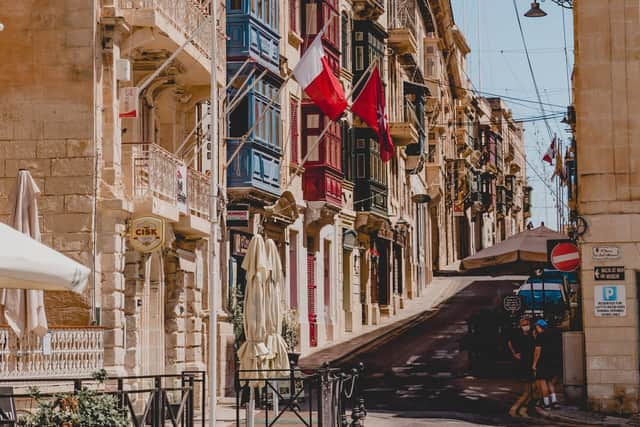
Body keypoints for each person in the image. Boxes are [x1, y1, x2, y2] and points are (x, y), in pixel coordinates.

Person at [507, 317, 536, 417]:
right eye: (523, 325)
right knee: (528, 391)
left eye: (527, 324)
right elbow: (509, 342)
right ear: (520, 325)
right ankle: (514, 409)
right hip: (524, 364)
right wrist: (515, 353)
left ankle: (523, 409)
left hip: (530, 363)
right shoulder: (518, 334)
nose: (526, 327)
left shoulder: (532, 334)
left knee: (533, 390)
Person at [532, 319, 558, 409]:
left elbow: (537, 351)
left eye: (536, 326)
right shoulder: (552, 335)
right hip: (551, 361)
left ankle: (547, 404)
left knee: (543, 382)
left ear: (539, 327)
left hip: (542, 361)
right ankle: (554, 402)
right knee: (550, 382)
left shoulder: (540, 336)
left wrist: (534, 363)